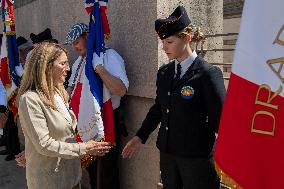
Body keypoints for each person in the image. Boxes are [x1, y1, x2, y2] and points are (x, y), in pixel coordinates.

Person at [122, 6, 226, 189]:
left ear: (186, 38)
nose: (164, 48)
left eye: (169, 42)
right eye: (163, 42)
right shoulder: (165, 73)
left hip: (197, 159)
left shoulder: (207, 74)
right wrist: (140, 136)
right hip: (169, 156)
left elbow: (222, 120)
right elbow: (158, 109)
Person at [17, 42, 112, 189]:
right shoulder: (30, 99)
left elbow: (62, 133)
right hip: (49, 182)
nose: (68, 68)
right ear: (46, 66)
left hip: (71, 177)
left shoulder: (59, 93)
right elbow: (44, 144)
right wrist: (84, 147)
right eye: (63, 64)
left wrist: (30, 150)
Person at [65, 23, 129, 189]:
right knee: (92, 172)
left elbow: (121, 90)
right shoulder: (78, 62)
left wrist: (99, 69)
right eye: (72, 44)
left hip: (106, 120)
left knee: (106, 173)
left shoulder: (109, 56)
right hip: (83, 123)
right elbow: (70, 90)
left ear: (88, 36)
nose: (74, 47)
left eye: (76, 42)